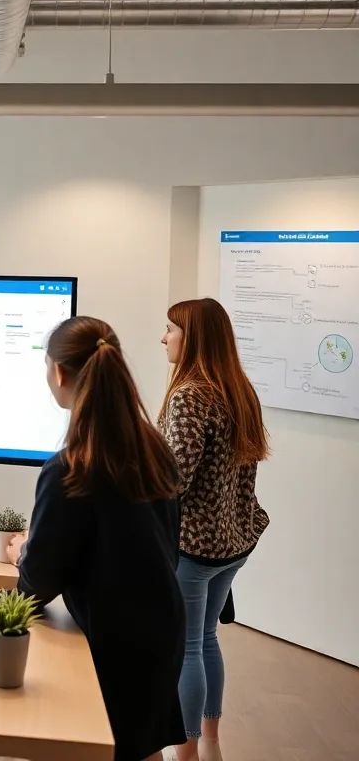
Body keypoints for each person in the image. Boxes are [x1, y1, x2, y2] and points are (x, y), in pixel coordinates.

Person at [13, 316, 185, 761]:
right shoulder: (154, 448)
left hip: (112, 645)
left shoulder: (70, 468)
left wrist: (23, 555)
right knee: (142, 747)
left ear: (58, 373)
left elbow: (37, 585)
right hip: (161, 631)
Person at [159, 298, 269, 761]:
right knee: (205, 638)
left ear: (193, 338)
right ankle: (211, 745)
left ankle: (184, 754)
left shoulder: (190, 395)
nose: (163, 338)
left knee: (185, 647)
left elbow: (173, 478)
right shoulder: (239, 389)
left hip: (194, 546)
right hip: (234, 542)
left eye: (170, 330)